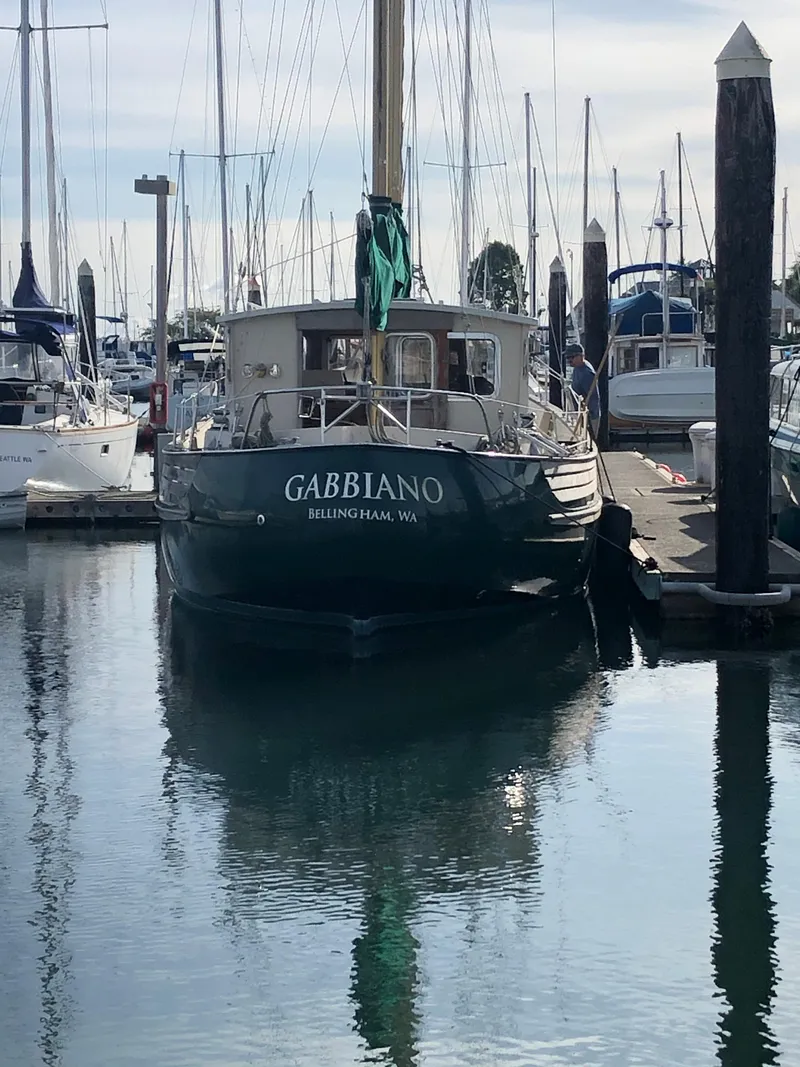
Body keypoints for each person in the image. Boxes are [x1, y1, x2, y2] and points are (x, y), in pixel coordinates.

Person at [565, 342, 601, 439]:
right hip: (579, 413)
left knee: (589, 441)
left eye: (571, 357)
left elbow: (592, 397)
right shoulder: (577, 368)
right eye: (567, 358)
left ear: (581, 356)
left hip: (589, 415)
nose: (569, 360)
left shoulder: (587, 373)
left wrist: (588, 415)